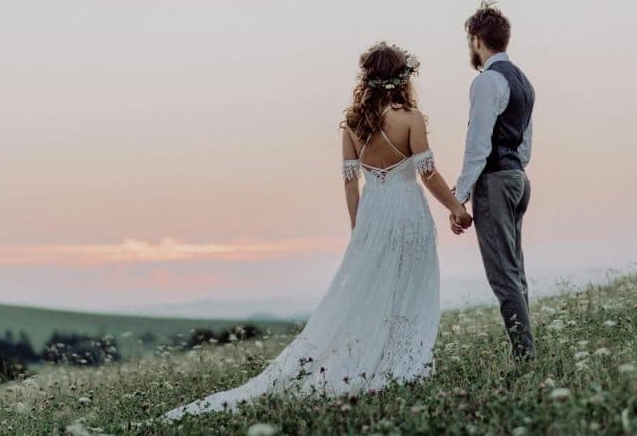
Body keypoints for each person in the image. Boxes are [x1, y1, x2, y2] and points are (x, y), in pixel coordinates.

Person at [161, 41, 471, 420]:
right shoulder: (411, 118)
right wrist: (456, 207)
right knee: (408, 286)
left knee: (372, 290)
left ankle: (378, 360)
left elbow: (349, 183)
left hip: (373, 214)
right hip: (406, 212)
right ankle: (401, 364)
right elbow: (427, 174)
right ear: (403, 78)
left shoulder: (354, 125)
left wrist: (359, 229)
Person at [451, 0, 537, 362]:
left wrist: (460, 197)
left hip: (496, 182)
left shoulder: (487, 81)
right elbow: (526, 142)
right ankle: (527, 350)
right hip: (518, 176)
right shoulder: (524, 81)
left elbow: (478, 144)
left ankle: (525, 357)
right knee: (515, 270)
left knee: (503, 275)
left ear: (476, 41)